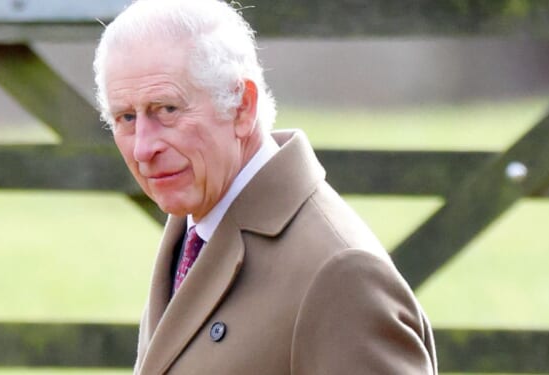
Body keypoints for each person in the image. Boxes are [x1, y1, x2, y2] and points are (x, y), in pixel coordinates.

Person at [93, 0, 438, 373]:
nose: (144, 148)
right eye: (126, 117)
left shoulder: (341, 274)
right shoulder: (195, 225)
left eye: (167, 110)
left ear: (241, 107)